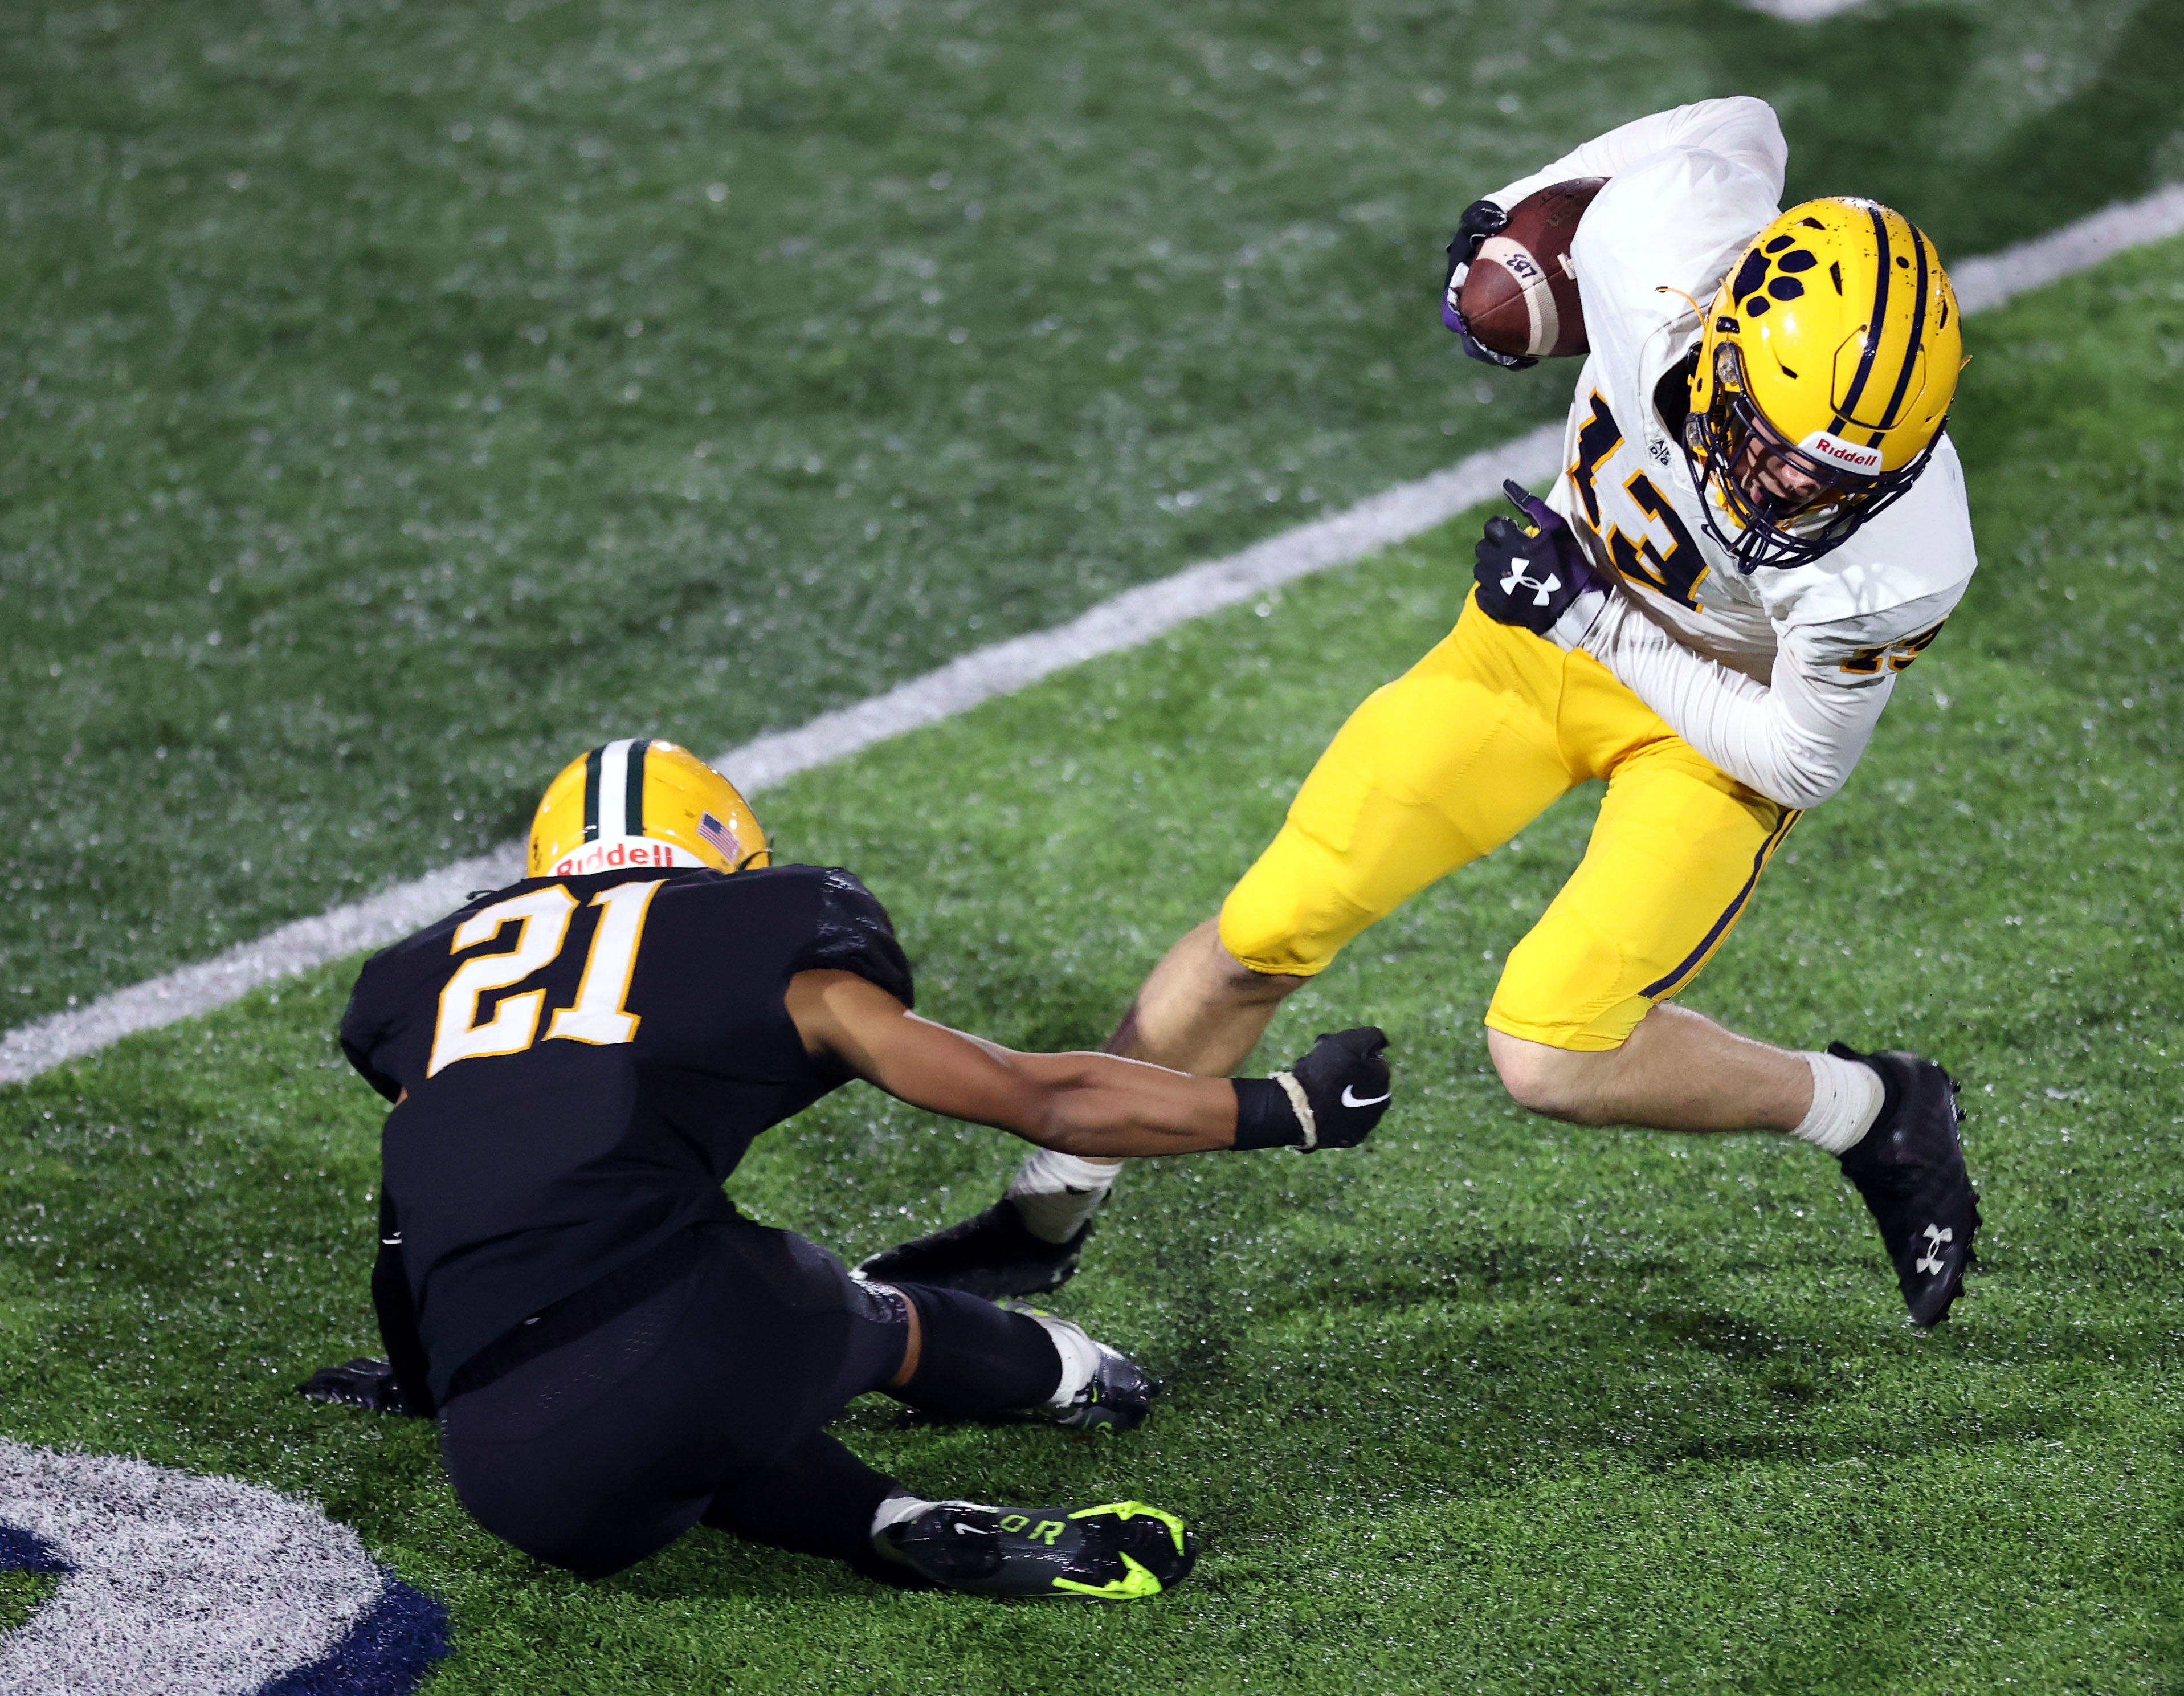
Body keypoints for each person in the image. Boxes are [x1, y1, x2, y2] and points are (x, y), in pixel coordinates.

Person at [862, 98, 1981, 1329]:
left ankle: (1869, 1108)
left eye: (1842, 479)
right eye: (1780, 447)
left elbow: (1797, 757)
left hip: (1709, 730)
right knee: (1264, 927)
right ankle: (1040, 1224)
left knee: (1549, 1050)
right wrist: (1517, 208)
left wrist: (1592, 620)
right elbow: (1745, 123)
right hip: (1531, 651)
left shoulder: (1901, 558)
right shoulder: (1648, 248)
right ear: (1720, 335)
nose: (1793, 490)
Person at [303, 738, 1393, 1599]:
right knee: (852, 1316)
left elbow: (405, 1238)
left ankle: (887, 1521)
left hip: (506, 1466)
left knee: (647, 1421)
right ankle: (1079, 1377)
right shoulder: (754, 932)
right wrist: (1282, 1109)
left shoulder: (425, 986)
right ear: (724, 850)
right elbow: (1044, 1097)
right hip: (714, 1333)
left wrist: (420, 1379)